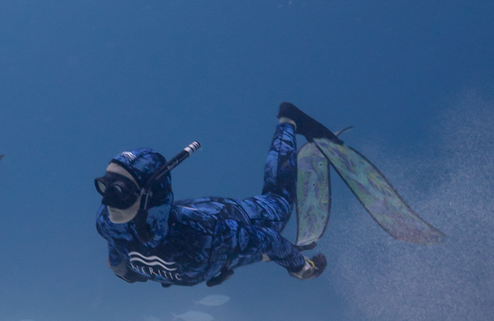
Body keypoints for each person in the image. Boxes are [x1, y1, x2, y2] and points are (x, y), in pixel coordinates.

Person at [95, 105, 328, 288]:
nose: (107, 202)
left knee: (279, 199)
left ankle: (287, 121)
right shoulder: (107, 220)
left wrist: (300, 268)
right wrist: (122, 269)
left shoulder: (209, 234)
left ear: (150, 196)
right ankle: (273, 256)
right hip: (199, 229)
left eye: (119, 191)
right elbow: (115, 242)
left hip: (233, 217)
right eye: (105, 187)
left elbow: (268, 239)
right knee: (245, 251)